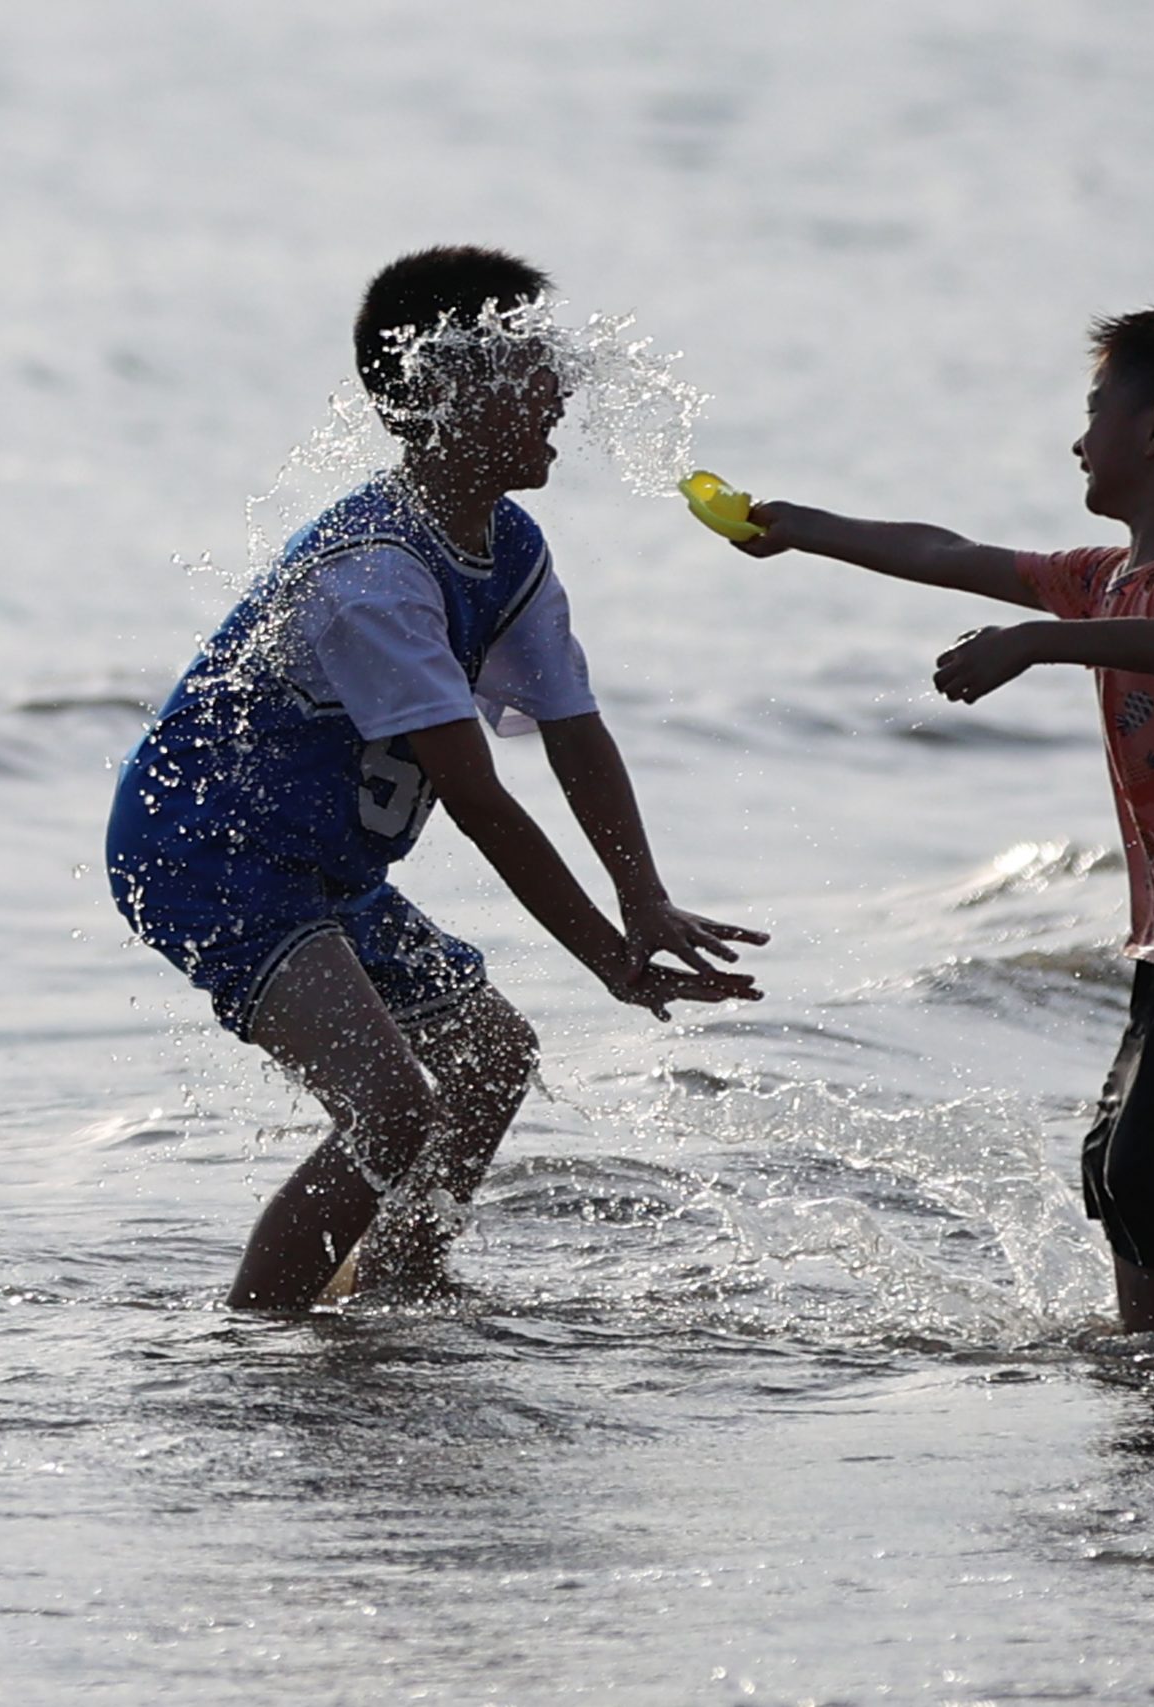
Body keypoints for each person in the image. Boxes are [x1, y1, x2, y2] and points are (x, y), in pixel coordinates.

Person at [107, 246, 764, 1311]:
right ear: (438, 394)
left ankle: (394, 1304)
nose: (559, 388)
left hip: (322, 864)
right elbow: (480, 804)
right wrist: (607, 959)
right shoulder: (375, 578)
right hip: (210, 852)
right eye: (527, 363)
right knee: (390, 1111)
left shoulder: (507, 544)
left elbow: (575, 733)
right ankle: (256, 1348)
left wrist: (641, 895)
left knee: (491, 1057)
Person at [733, 292, 1154, 1332]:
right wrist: (800, 530)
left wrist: (1031, 644)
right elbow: (944, 552)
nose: (1076, 438)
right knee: (1114, 1171)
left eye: (1095, 409)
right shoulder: (1106, 578)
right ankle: (1151, 1364)